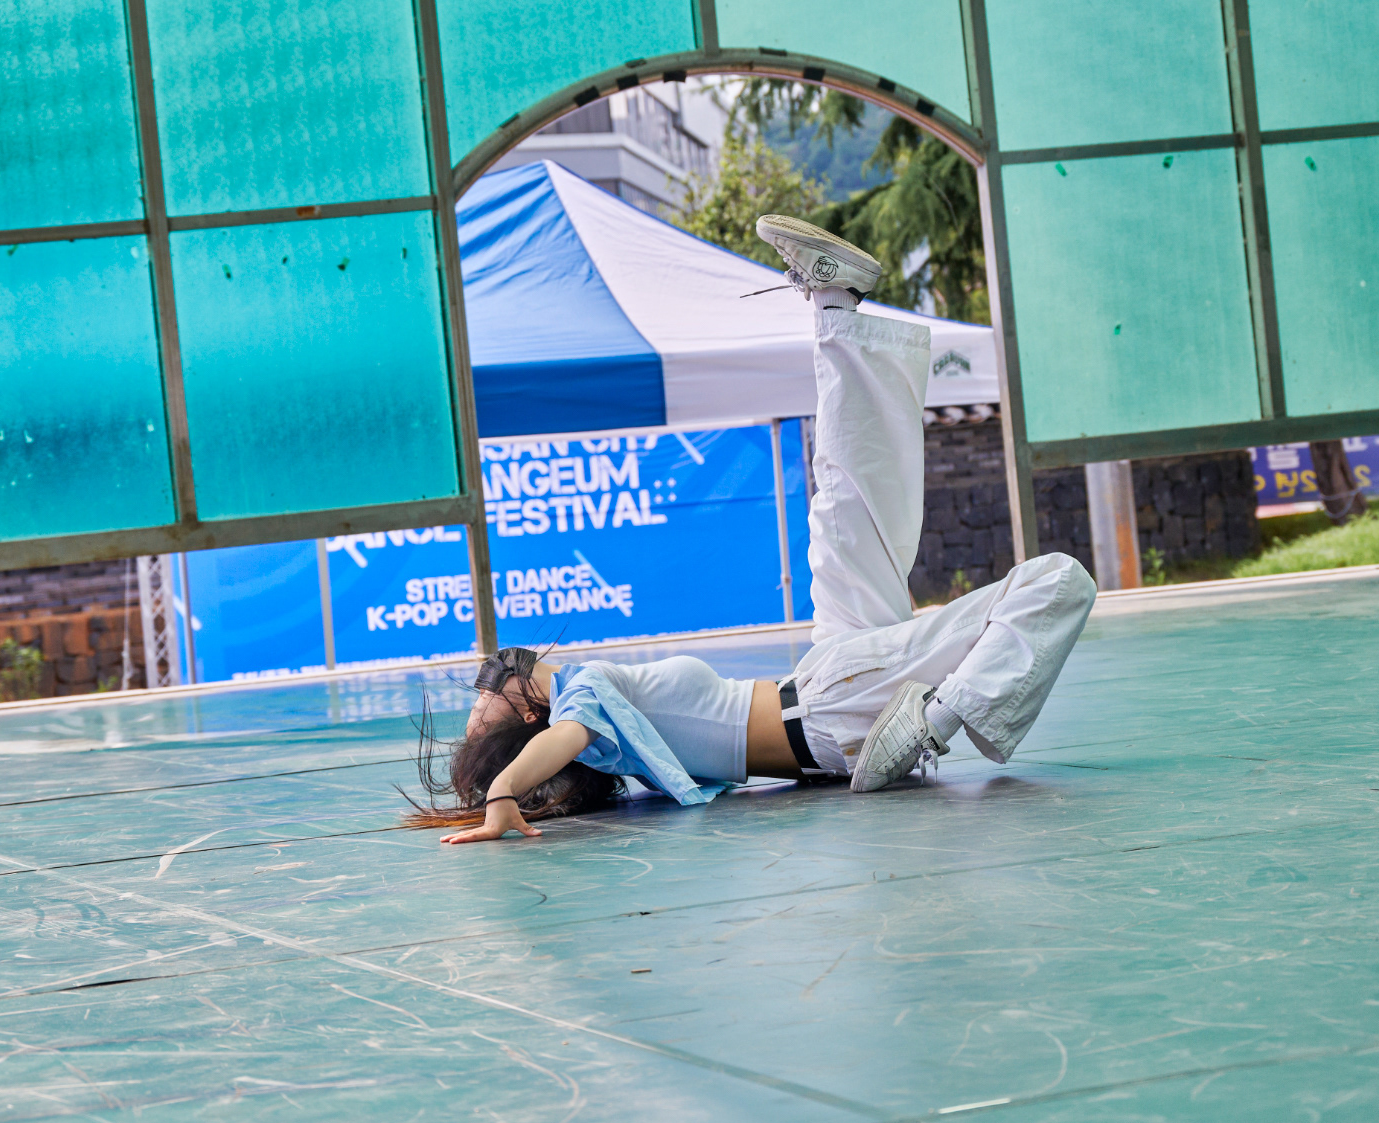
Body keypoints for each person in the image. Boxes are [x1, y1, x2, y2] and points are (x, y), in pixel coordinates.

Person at [408, 217, 1097, 842]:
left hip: (825, 686)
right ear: (529, 715)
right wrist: (501, 792)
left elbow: (560, 740)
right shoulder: (583, 701)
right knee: (1057, 580)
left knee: (845, 505)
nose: (500, 665)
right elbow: (559, 742)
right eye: (493, 684)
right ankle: (933, 725)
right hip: (833, 711)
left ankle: (836, 301)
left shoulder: (605, 720)